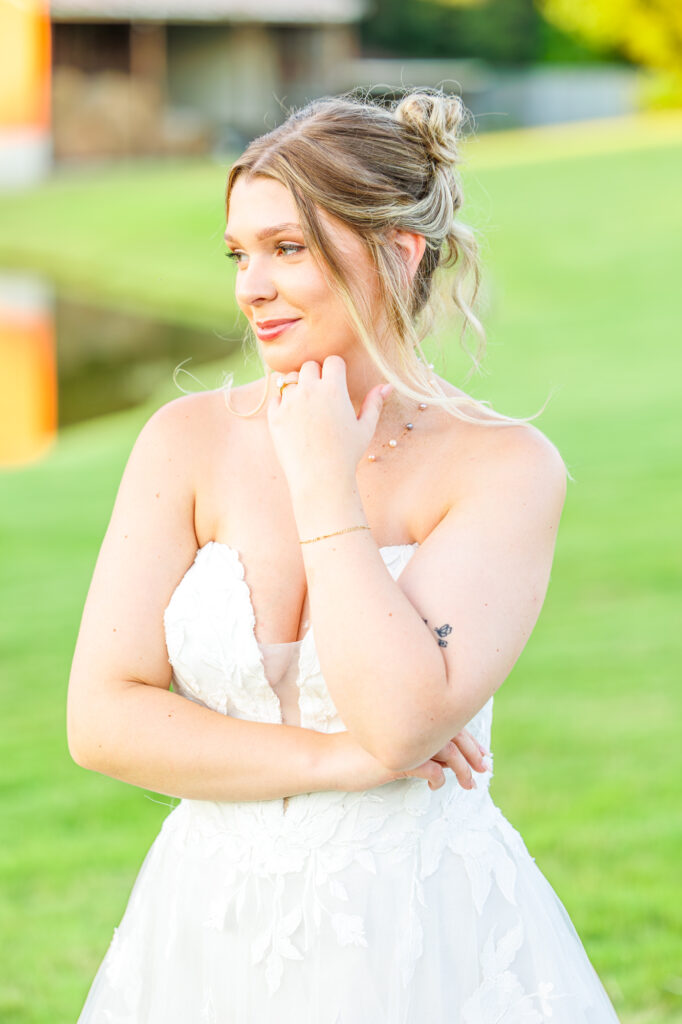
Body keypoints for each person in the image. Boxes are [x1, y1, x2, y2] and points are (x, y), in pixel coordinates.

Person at [68, 89, 621, 1022]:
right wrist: (337, 760)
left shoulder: (505, 467)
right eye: (240, 253)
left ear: (398, 255)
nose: (251, 287)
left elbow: (402, 724)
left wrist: (324, 487)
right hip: (209, 919)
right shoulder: (183, 441)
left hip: (413, 923)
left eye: (288, 249)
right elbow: (102, 719)